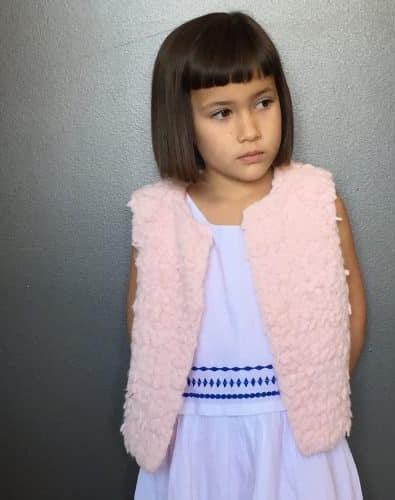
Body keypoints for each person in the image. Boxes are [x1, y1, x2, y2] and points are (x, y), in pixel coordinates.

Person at [122, 11, 367, 500]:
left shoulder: (315, 201)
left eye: (263, 102)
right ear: (182, 119)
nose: (250, 130)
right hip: (194, 441)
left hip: (294, 439)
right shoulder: (160, 215)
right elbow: (142, 319)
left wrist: (315, 390)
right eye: (222, 113)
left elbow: (352, 311)